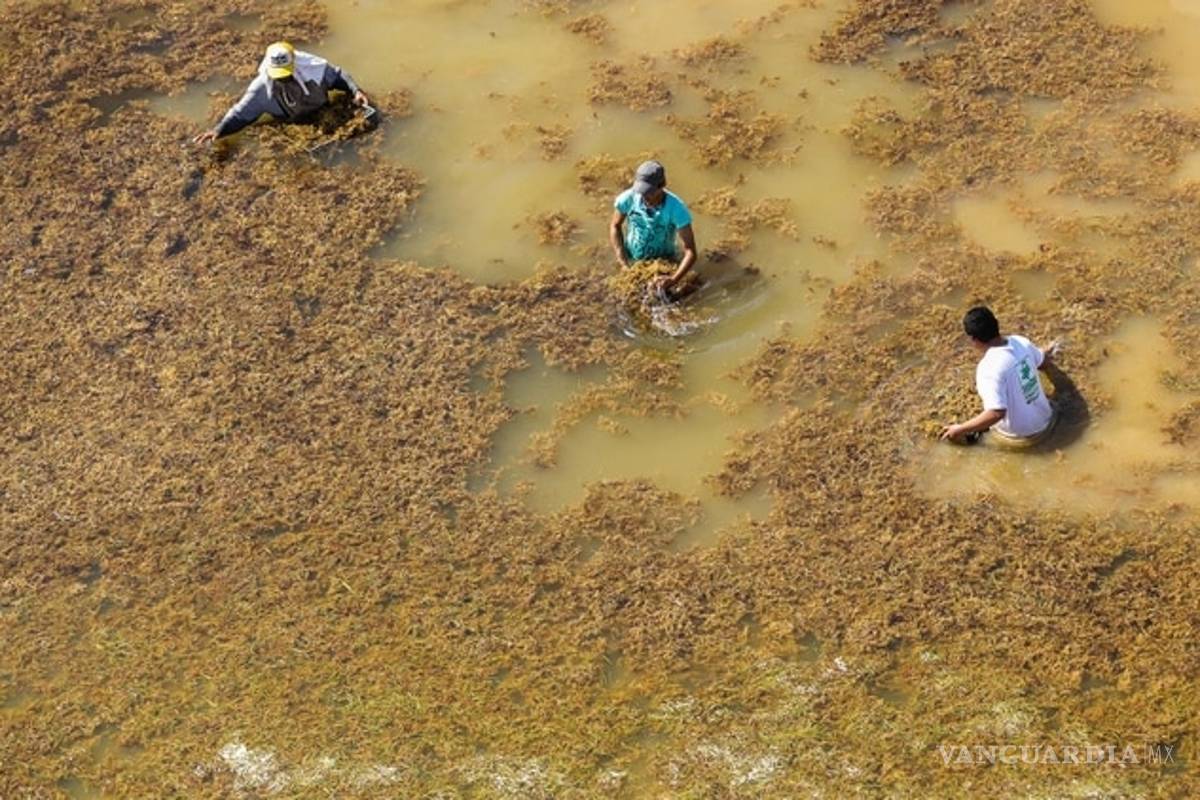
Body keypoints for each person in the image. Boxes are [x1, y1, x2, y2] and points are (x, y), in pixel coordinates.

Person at [193, 42, 369, 145]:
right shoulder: (262, 89)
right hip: (295, 125)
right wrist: (219, 130)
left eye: (286, 74)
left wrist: (356, 90)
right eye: (279, 75)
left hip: (325, 112)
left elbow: (338, 76)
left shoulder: (313, 69)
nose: (283, 79)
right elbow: (241, 114)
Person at [940, 306, 1059, 446]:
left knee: (968, 438)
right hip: (1047, 419)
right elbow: (1043, 362)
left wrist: (960, 429)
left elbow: (996, 413)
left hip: (1021, 437)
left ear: (974, 339)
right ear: (996, 324)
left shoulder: (988, 368)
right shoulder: (1021, 342)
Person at [609, 160, 698, 294]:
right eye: (641, 191)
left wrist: (673, 279)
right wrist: (622, 262)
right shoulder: (628, 198)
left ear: (661, 186)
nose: (644, 196)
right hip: (632, 257)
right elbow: (615, 226)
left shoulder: (677, 209)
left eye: (649, 192)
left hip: (664, 260)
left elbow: (690, 251)